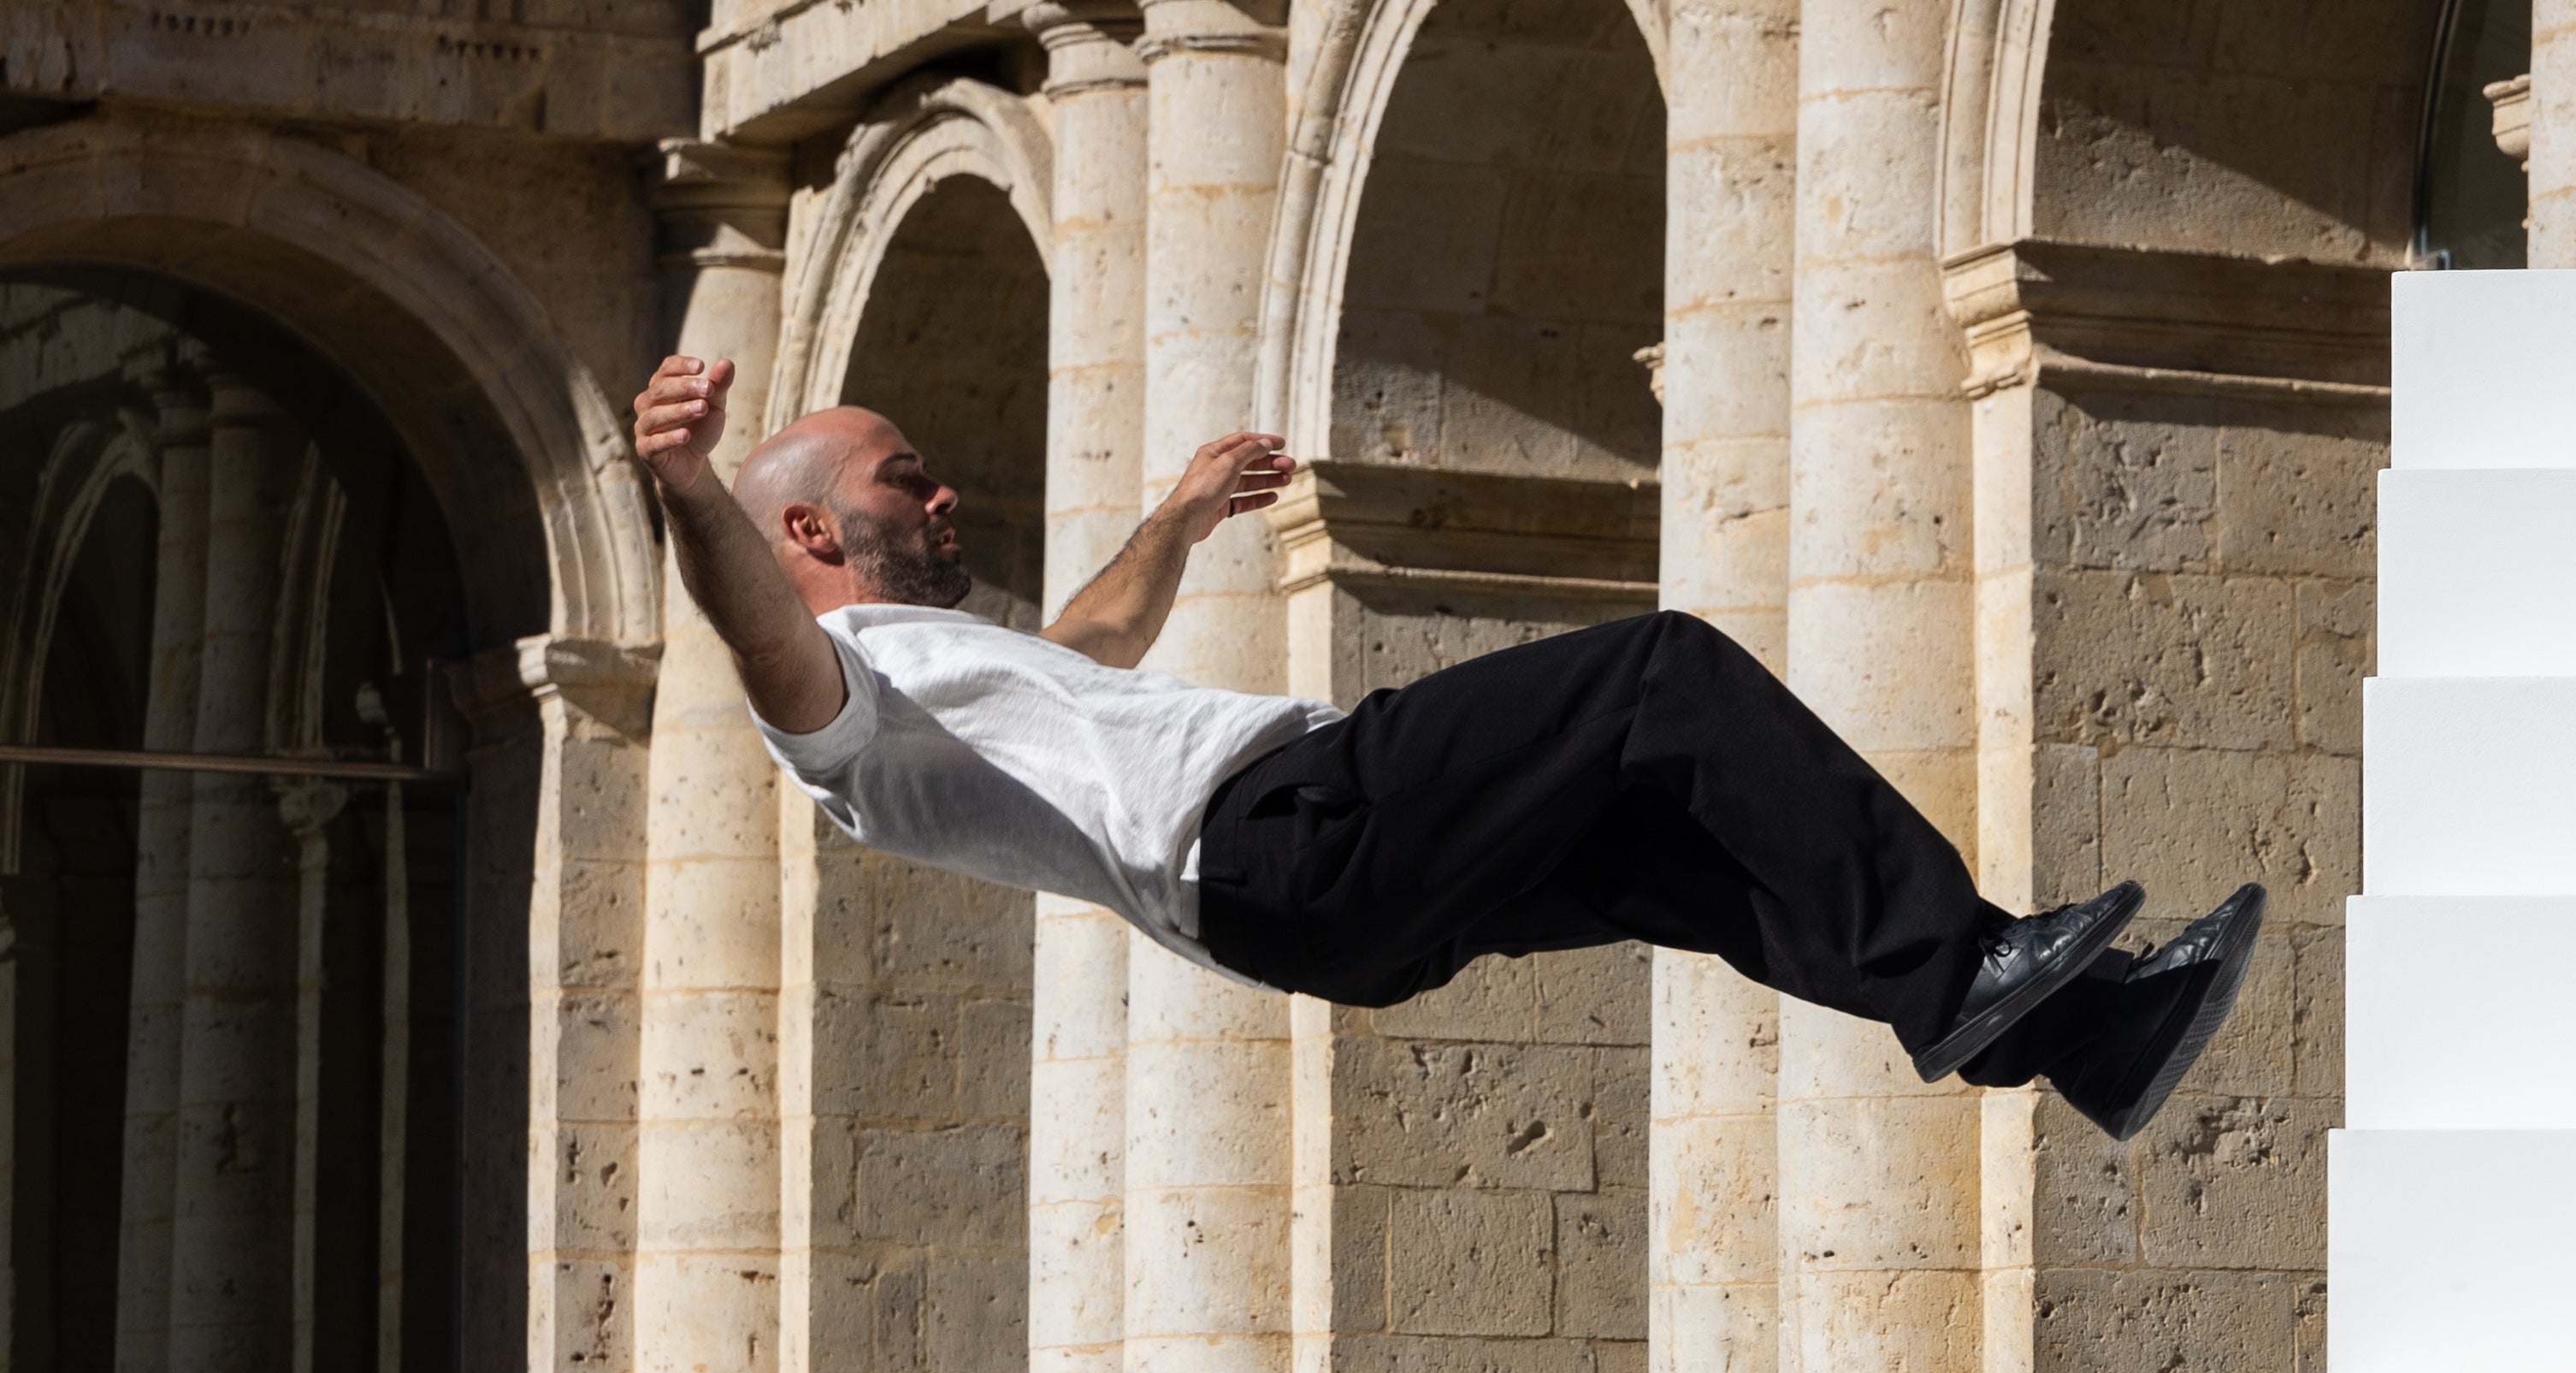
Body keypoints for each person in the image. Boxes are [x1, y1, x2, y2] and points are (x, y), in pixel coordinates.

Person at [627, 353, 2260, 1139]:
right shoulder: (824, 692)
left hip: (1308, 906)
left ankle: (2075, 1039)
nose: (938, 490)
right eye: (902, 478)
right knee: (1660, 679)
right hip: (1290, 826)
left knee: (1677, 855)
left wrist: (1184, 517)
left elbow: (1092, 648)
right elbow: (752, 629)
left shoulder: (944, 681)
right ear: (808, 529)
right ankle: (1966, 972)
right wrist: (686, 491)